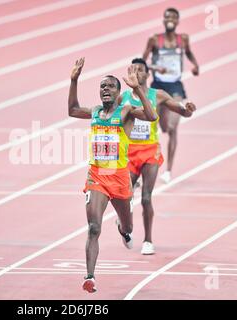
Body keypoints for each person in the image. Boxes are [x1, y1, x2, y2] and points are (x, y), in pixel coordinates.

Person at [68, 57, 157, 293]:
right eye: (102, 86)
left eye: (110, 86)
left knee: (127, 225)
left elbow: (151, 117)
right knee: (94, 228)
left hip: (119, 178)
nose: (105, 89)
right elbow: (73, 110)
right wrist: (74, 80)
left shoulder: (125, 111)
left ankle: (124, 230)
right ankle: (90, 276)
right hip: (97, 176)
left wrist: (137, 88)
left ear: (119, 92)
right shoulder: (96, 111)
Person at [120, 57, 196, 255]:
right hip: (128, 153)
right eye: (133, 69)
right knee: (125, 196)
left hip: (150, 151)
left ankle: (147, 240)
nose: (136, 72)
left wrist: (187, 111)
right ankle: (125, 227)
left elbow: (181, 111)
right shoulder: (123, 98)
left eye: (140, 69)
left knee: (146, 197)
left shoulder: (158, 95)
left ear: (147, 74)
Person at [142, 7, 199, 183]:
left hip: (175, 87)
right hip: (158, 86)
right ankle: (141, 163)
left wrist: (195, 64)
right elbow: (142, 63)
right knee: (155, 125)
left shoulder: (183, 39)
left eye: (173, 17)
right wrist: (155, 68)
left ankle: (168, 171)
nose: (170, 19)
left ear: (177, 20)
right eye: (167, 17)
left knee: (173, 128)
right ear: (163, 20)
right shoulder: (154, 40)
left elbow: (188, 52)